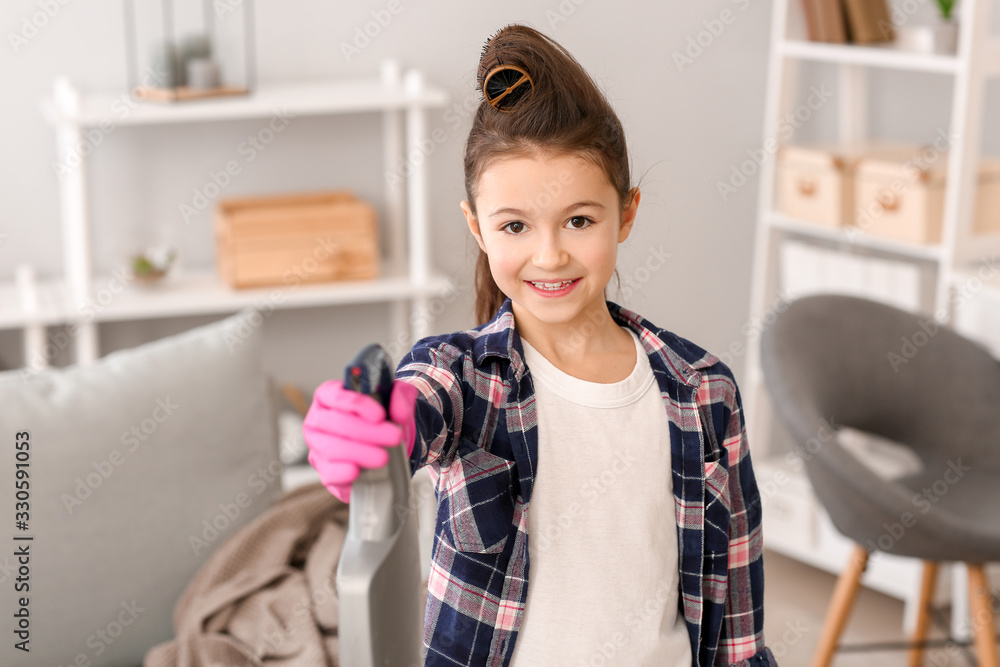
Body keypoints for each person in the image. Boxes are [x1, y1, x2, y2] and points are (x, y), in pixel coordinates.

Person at [303, 23, 776, 667]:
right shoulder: (460, 376)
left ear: (627, 213)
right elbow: (418, 404)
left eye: (579, 220)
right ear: (477, 227)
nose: (549, 254)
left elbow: (738, 623)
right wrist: (378, 429)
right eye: (515, 225)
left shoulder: (705, 392)